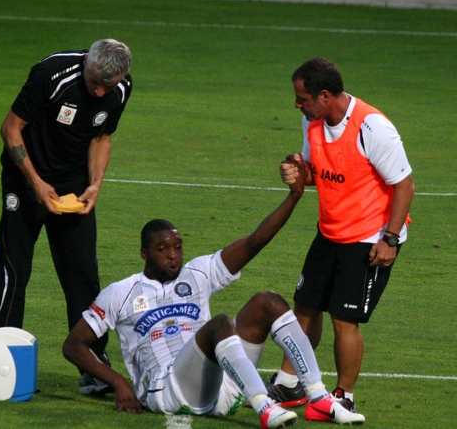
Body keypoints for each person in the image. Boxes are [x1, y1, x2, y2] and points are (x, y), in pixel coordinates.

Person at [63, 167, 365, 427]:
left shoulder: (197, 273)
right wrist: (117, 382)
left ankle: (318, 397)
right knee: (220, 324)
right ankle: (264, 406)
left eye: (178, 247)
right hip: (168, 390)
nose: (173, 256)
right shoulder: (120, 292)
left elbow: (253, 242)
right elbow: (73, 344)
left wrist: (294, 196)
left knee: (268, 302)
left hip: (221, 388)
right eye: (163, 249)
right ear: (144, 253)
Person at [266, 58, 414, 414]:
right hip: (330, 231)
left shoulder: (373, 128)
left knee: (343, 319)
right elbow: (316, 171)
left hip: (369, 237)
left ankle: (344, 394)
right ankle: (288, 384)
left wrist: (390, 239)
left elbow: (404, 185)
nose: (297, 105)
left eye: (302, 98)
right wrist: (296, 170)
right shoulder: (312, 121)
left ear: (326, 95)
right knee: (305, 308)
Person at [0, 39, 132, 395]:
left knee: (83, 272)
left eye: (107, 87)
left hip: (73, 188)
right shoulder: (52, 74)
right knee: (14, 269)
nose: (99, 92)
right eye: (94, 81)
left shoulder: (121, 88)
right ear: (87, 62)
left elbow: (101, 138)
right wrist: (35, 183)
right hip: (25, 180)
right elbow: (10, 128)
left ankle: (95, 368)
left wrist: (95, 184)